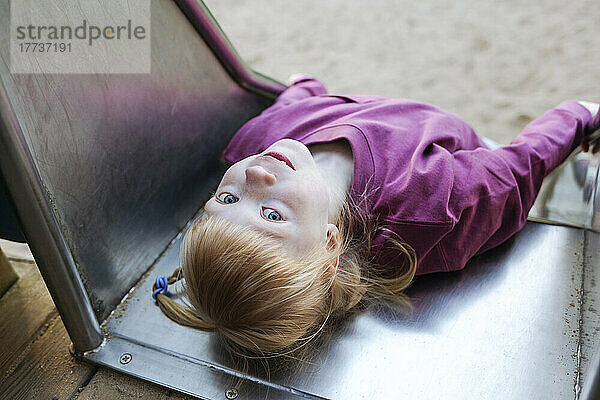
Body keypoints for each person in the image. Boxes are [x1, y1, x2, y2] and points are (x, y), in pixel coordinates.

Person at [151, 77, 600, 358]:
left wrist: (304, 88)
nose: (252, 176)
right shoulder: (431, 203)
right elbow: (515, 171)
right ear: (329, 245)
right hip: (459, 145)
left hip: (361, 108)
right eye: (271, 214)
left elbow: (286, 109)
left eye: (226, 201)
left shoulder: (255, 144)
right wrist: (578, 116)